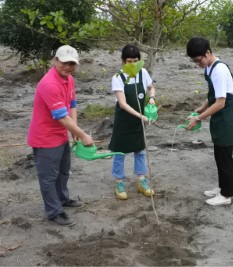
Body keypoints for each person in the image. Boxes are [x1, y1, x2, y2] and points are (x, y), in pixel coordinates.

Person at [27, 45, 93, 226]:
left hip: (61, 134)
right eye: (64, 62)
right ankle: (54, 211)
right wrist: (83, 134)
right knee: (48, 177)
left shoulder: (69, 79)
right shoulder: (49, 83)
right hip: (45, 137)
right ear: (55, 61)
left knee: (63, 171)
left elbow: (72, 104)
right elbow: (61, 116)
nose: (68, 66)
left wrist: (74, 130)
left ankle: (63, 199)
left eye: (72, 63)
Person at [186, 37, 233, 206]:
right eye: (194, 61)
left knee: (225, 157)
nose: (198, 63)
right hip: (219, 117)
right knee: (219, 155)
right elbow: (212, 96)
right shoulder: (208, 68)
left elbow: (221, 102)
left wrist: (198, 118)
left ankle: (226, 195)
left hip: (227, 118)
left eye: (198, 60)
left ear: (208, 53)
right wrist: (200, 109)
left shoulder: (219, 70)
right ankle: (221, 187)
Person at [108, 44, 156, 200]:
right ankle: (119, 182)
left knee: (140, 150)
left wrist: (152, 99)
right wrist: (141, 116)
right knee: (120, 152)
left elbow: (151, 88)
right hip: (124, 120)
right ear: (123, 61)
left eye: (136, 61)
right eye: (129, 61)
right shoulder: (118, 77)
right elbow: (122, 103)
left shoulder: (143, 73)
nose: (133, 64)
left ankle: (142, 180)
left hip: (138, 120)